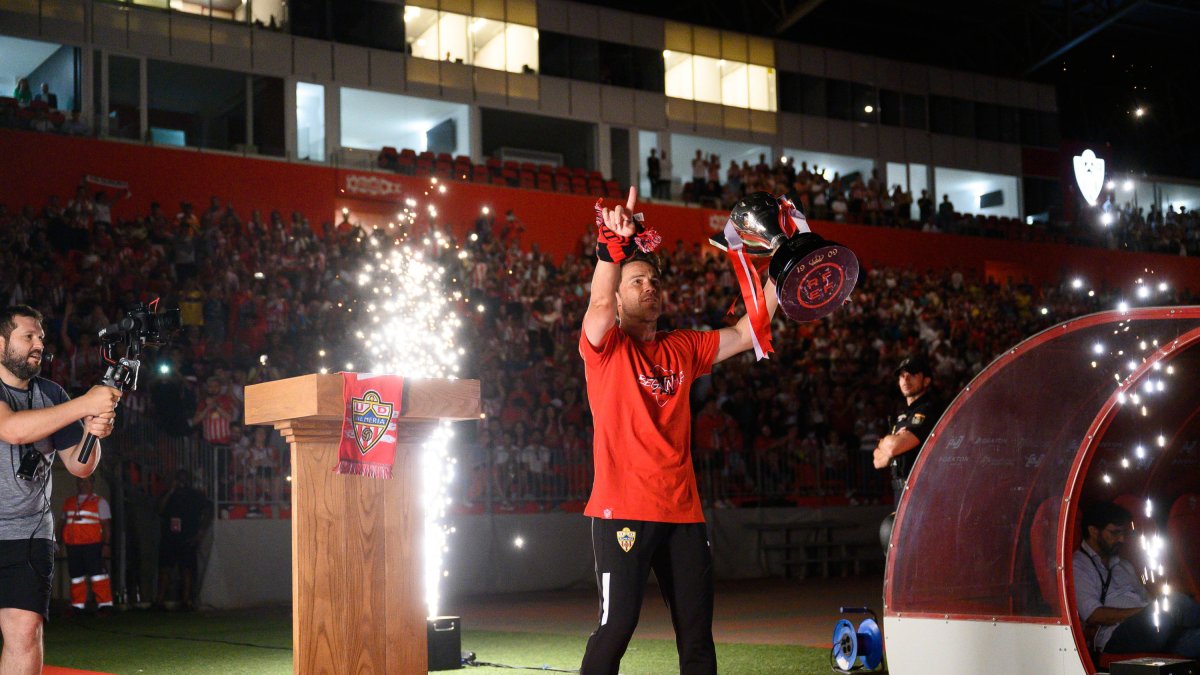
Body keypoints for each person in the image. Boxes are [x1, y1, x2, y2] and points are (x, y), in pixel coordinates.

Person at [578, 187, 777, 674]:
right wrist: (611, 246)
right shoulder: (604, 347)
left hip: (683, 513)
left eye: (653, 281)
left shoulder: (682, 347)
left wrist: (786, 265)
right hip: (622, 509)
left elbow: (746, 332)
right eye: (636, 281)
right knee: (616, 626)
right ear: (620, 298)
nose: (649, 287)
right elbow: (598, 300)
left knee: (696, 635)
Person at [0, 305, 121, 675]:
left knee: (26, 632)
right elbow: (12, 429)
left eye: (41, 337)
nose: (39, 344)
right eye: (28, 337)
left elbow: (80, 465)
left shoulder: (52, 393)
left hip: (28, 531)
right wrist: (85, 404)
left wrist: (94, 430)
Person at [1074, 501, 1200, 657]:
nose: (1122, 539)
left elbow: (1146, 600)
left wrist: (1153, 612)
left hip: (1151, 629)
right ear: (1093, 531)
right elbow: (1094, 615)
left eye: (1123, 533)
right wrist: (1148, 612)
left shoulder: (1124, 565)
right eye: (1114, 533)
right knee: (1174, 602)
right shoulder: (1078, 566)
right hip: (1116, 635)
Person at [872, 355, 944, 508]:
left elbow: (893, 448)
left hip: (920, 491)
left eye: (912, 374)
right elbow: (878, 461)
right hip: (900, 492)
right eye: (902, 375)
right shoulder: (902, 417)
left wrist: (886, 443)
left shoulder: (928, 410)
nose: (905, 379)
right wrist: (889, 443)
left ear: (926, 380)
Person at [155, 470, 210, 611]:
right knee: (165, 568)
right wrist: (171, 491)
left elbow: (207, 511)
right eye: (179, 479)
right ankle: (159, 601)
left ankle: (186, 601)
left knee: (187, 569)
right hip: (169, 536)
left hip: (187, 536)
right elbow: (160, 509)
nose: (181, 483)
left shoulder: (196, 495)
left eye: (184, 480)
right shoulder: (169, 494)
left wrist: (200, 532)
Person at [59, 476, 113, 616]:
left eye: (87, 481)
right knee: (76, 577)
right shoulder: (69, 502)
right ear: (77, 483)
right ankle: (77, 606)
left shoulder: (100, 501)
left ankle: (105, 605)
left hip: (93, 545)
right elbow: (62, 523)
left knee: (98, 575)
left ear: (93, 483)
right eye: (81, 481)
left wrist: (106, 544)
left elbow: (106, 525)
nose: (84, 484)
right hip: (73, 546)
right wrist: (58, 542)